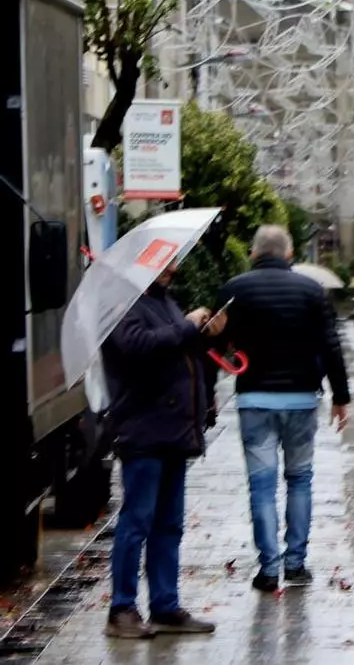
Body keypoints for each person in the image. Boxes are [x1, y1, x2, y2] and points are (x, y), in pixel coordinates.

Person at [216, 225, 351, 593]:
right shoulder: (312, 291)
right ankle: (296, 563)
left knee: (261, 485)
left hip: (254, 399)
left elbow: (215, 340)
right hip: (301, 399)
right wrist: (341, 397)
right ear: (289, 254)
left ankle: (269, 568)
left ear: (253, 253)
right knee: (300, 479)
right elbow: (330, 344)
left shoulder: (234, 290)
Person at [102, 261, 224, 639]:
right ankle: (122, 609)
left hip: (174, 433)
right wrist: (187, 327)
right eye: (164, 262)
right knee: (136, 522)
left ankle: (165, 605)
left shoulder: (164, 301)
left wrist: (204, 334)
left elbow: (177, 348)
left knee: (169, 524)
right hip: (143, 431)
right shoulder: (123, 304)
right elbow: (136, 346)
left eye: (174, 261)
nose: (173, 268)